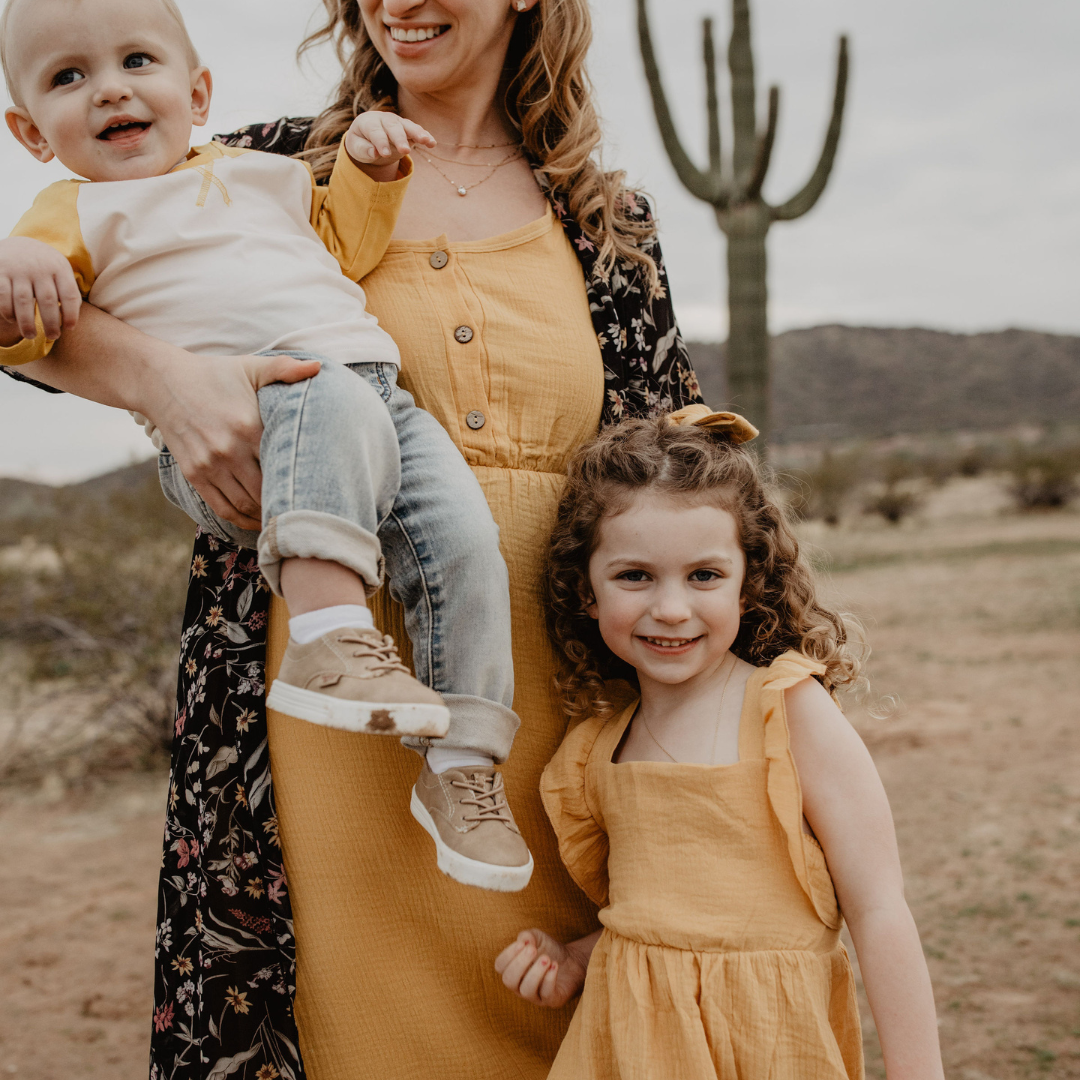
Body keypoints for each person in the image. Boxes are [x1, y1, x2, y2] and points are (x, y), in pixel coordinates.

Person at [2, 0, 703, 1073]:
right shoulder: (266, 160)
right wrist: (171, 386)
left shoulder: (604, 216)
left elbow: (679, 464)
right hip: (315, 709)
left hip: (561, 712)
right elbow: (31, 323)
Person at [0, 0, 535, 891]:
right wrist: (12, 262)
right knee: (320, 386)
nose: (109, 91)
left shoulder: (267, 172)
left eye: (138, 61)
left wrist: (371, 169)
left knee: (467, 548)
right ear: (30, 132)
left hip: (379, 400)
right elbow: (21, 335)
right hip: (261, 417)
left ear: (199, 90)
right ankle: (327, 634)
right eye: (68, 78)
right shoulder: (72, 213)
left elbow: (343, 248)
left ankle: (463, 769)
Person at [495, 407, 946, 1079]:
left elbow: (879, 910)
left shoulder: (787, 710)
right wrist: (576, 961)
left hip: (766, 1044)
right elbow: (652, 925)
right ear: (585, 590)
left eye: (703, 576)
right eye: (634, 576)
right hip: (631, 1050)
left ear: (748, 582)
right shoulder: (596, 749)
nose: (671, 607)